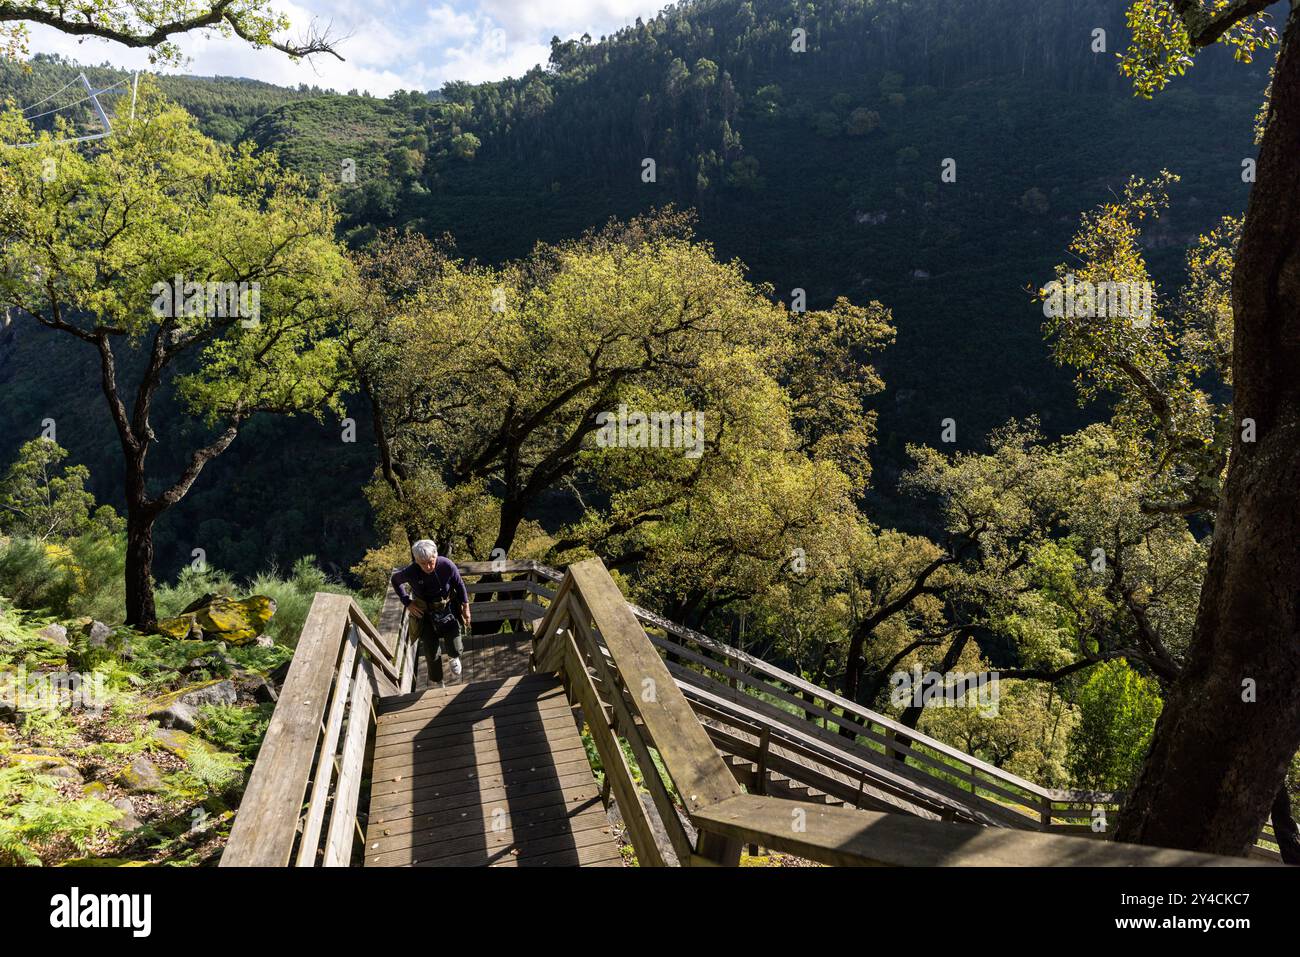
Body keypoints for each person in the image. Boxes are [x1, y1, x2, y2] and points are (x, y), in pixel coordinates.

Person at [390, 540, 471, 683]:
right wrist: (407, 602)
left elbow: (459, 584)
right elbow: (395, 581)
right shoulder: (411, 571)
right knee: (430, 651)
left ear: (436, 555)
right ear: (416, 561)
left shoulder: (446, 565)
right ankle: (437, 680)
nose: (428, 566)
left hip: (447, 608)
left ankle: (454, 657)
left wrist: (465, 607)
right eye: (422, 563)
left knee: (454, 644)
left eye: (430, 561)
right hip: (424, 614)